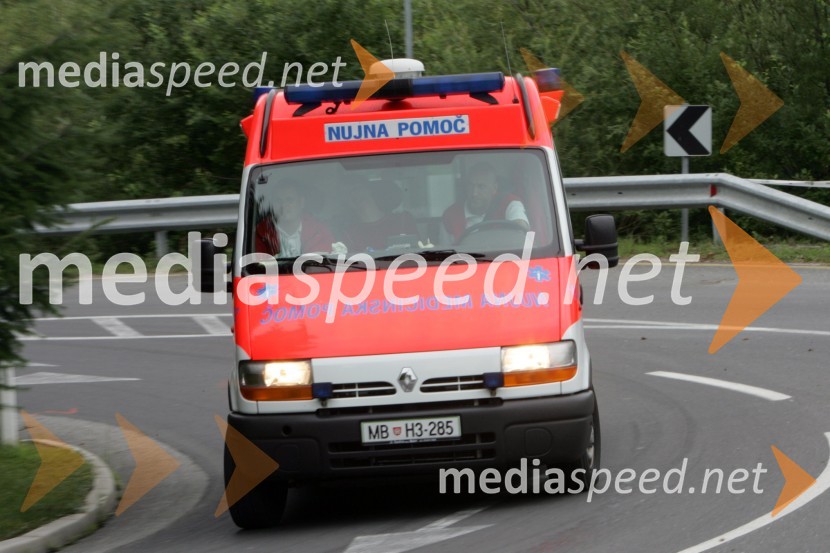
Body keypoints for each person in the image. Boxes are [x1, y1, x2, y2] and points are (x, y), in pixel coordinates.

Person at [440, 162, 529, 244]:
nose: (474, 193)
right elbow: (444, 253)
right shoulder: (450, 215)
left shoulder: (510, 203)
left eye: (481, 187)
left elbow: (522, 233)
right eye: (471, 186)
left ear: (494, 188)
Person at [255, 180, 334, 257]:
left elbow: (326, 264)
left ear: (301, 202)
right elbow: (257, 266)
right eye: (278, 200)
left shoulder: (318, 231)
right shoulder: (261, 233)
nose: (284, 205)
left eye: (289, 200)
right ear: (272, 205)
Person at [344, 178, 418, 251]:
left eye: (356, 189)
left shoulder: (403, 220)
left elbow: (420, 253)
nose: (353, 195)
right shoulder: (351, 233)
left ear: (369, 190)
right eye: (346, 193)